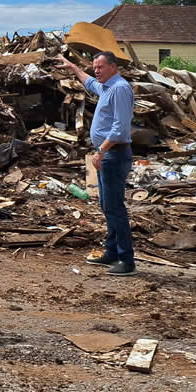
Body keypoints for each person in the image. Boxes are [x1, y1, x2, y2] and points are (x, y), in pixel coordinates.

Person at [58, 50, 137, 276]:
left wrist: (101, 151)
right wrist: (73, 68)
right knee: (106, 205)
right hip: (106, 154)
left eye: (100, 67)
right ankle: (112, 252)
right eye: (95, 66)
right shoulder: (107, 87)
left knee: (115, 207)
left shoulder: (120, 89)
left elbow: (120, 128)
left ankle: (126, 260)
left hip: (113, 154)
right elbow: (90, 82)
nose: (96, 70)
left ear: (113, 67)